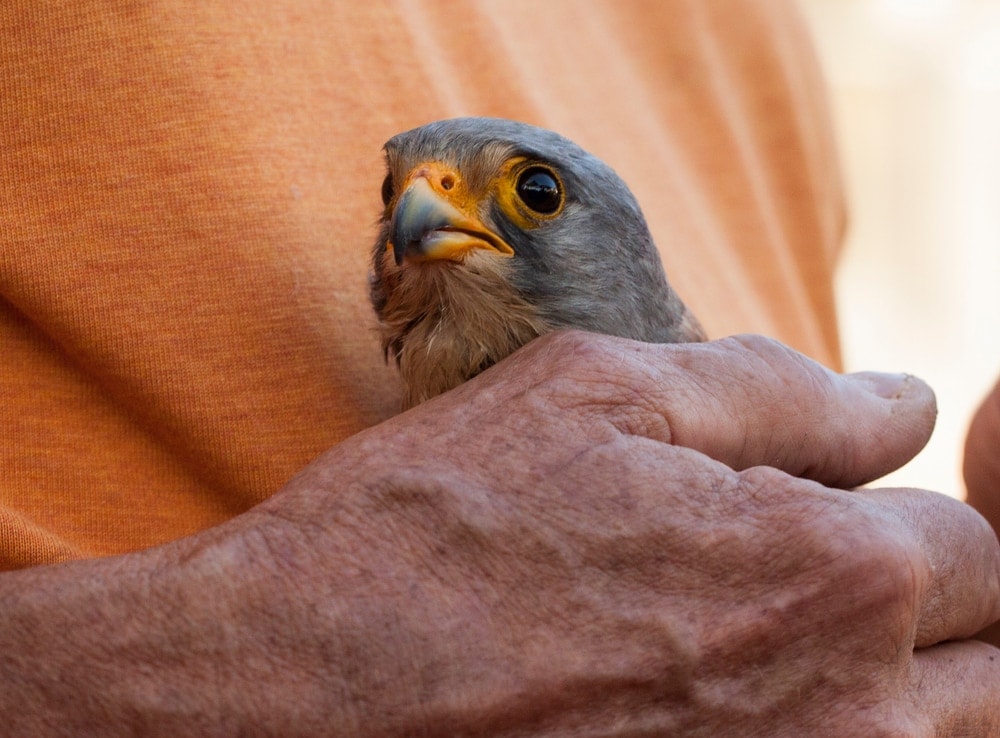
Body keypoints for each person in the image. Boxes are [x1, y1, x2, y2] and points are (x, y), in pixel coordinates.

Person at [1, 1, 997, 734]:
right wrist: (286, 667)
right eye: (402, 192)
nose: (419, 211)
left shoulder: (758, 33)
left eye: (532, 194)